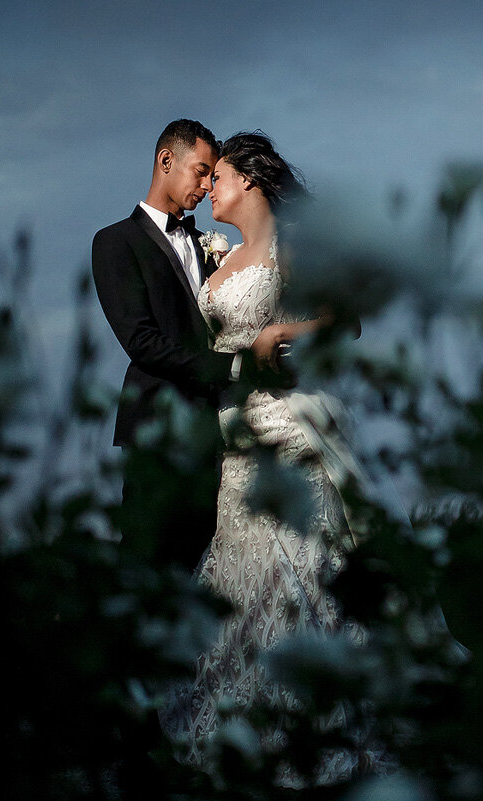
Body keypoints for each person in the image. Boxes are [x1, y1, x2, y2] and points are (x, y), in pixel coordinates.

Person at [163, 130, 377, 783]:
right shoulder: (219, 258)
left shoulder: (291, 247)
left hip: (289, 429)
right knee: (236, 574)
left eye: (218, 178)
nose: (209, 191)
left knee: (300, 570)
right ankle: (237, 717)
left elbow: (347, 320)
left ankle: (314, 712)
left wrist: (290, 332)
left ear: (250, 180)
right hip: (236, 438)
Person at [92, 119, 278, 572]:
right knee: (146, 573)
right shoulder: (116, 242)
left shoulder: (212, 246)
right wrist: (237, 367)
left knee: (209, 581)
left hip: (221, 441)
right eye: (200, 171)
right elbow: (142, 342)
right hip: (160, 437)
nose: (206, 185)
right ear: (165, 160)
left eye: (213, 176)